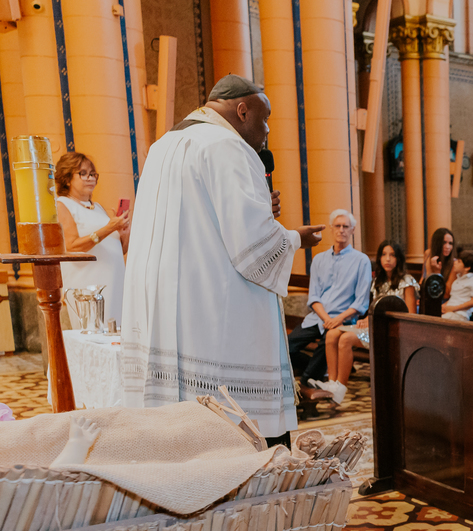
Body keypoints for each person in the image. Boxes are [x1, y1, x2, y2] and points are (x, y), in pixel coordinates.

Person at [122, 74, 324, 446]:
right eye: (264, 120)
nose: (266, 132)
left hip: (171, 305)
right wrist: (296, 237)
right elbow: (255, 249)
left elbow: (205, 222)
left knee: (180, 433)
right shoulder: (228, 147)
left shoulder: (163, 146)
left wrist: (260, 206)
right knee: (238, 435)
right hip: (215, 316)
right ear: (242, 110)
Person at [317, 240, 415, 405]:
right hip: (375, 328)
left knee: (346, 339)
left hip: (393, 332)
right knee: (332, 334)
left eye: (392, 255)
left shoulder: (407, 281)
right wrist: (367, 318)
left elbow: (411, 315)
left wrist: (374, 321)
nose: (388, 259)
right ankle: (332, 384)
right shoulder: (378, 281)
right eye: (384, 255)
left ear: (398, 258)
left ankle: (340, 388)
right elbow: (375, 309)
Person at [287, 210, 372, 393]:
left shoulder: (361, 261)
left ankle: (309, 380)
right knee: (286, 348)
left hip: (343, 321)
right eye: (338, 226)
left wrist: (337, 320)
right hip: (318, 318)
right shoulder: (319, 259)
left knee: (327, 342)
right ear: (332, 228)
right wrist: (326, 318)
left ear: (353, 230)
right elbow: (314, 297)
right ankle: (316, 370)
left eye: (346, 227)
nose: (341, 230)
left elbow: (360, 302)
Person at [55, 152, 131, 326]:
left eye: (93, 174)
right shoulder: (63, 205)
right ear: (67, 178)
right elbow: (72, 246)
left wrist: (123, 233)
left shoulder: (98, 207)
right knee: (93, 333)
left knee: (116, 331)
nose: (90, 178)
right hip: (88, 283)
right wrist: (109, 228)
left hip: (114, 279)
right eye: (83, 173)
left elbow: (120, 250)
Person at [442, 249, 473, 321]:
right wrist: (445, 305)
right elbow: (455, 297)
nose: (455, 263)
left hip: (460, 314)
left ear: (467, 268)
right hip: (450, 312)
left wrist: (454, 308)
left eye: (458, 262)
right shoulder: (457, 280)